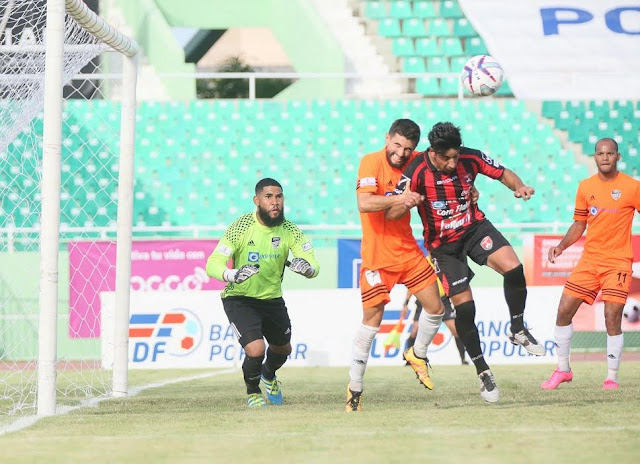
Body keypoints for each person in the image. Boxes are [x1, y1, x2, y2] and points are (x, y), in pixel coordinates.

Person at [387, 121, 546, 403]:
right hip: (443, 248)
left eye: (455, 156)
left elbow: (502, 172)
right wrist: (405, 202)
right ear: (432, 153)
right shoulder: (415, 171)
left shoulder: (470, 157)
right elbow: (390, 212)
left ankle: (518, 329)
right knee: (466, 307)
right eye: (446, 157)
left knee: (514, 267)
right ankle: (483, 371)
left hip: (473, 228)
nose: (453, 162)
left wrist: (518, 186)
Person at [347, 119, 446, 413]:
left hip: (408, 253)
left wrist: (469, 190)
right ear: (387, 138)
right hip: (377, 257)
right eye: (397, 145)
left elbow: (445, 165)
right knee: (371, 326)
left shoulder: (417, 162)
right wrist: (402, 198)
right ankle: (355, 388)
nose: (401, 153)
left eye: (408, 149)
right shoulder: (371, 162)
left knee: (436, 308)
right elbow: (364, 203)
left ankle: (418, 353)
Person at [206, 178, 320, 408]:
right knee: (256, 349)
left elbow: (312, 262)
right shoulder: (240, 226)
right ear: (257, 200)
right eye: (269, 197)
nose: (275, 202)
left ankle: (269, 375)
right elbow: (213, 262)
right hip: (240, 298)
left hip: (272, 299)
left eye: (279, 196)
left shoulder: (290, 230)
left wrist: (308, 269)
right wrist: (232, 274)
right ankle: (253, 391)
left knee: (283, 349)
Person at [542, 138, 640, 391]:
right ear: (594, 157)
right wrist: (561, 246)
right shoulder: (585, 187)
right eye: (600, 153)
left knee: (611, 316)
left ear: (618, 156)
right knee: (564, 310)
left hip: (617, 262)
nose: (604, 157)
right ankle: (563, 370)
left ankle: (611, 377)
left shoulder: (632, 187)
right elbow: (579, 224)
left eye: (609, 153)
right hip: (589, 261)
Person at [402, 284, 468, 365]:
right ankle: (410, 359)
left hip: (443, 300)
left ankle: (463, 358)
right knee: (414, 331)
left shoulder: (442, 271)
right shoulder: (420, 272)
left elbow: (450, 283)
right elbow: (411, 286)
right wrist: (406, 303)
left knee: (455, 330)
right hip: (424, 299)